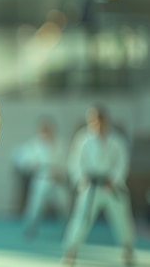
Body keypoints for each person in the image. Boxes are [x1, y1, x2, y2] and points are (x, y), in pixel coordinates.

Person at [62, 105, 136, 266]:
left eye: (99, 120)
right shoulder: (82, 139)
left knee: (123, 220)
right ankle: (71, 251)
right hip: (91, 186)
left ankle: (127, 249)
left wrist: (114, 179)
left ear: (105, 120)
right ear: (89, 121)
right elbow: (74, 163)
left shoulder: (117, 140)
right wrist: (82, 180)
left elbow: (123, 163)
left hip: (113, 186)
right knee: (80, 220)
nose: (96, 124)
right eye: (93, 120)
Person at [14, 117, 71, 238]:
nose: (46, 132)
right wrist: (34, 165)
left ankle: (67, 228)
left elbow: (68, 162)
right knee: (35, 207)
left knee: (64, 204)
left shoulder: (62, 143)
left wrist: (61, 172)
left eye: (48, 129)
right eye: (43, 129)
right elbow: (23, 160)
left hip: (58, 180)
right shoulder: (34, 144)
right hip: (42, 179)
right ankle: (30, 228)